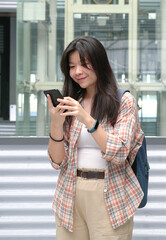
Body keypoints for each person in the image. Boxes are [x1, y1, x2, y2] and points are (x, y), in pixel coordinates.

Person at [47, 36, 144, 240]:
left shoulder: (123, 102)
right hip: (70, 193)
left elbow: (119, 151)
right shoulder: (73, 101)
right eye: (72, 66)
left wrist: (85, 117)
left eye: (84, 64)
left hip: (110, 193)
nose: (78, 72)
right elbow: (57, 162)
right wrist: (56, 122)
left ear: (100, 63)